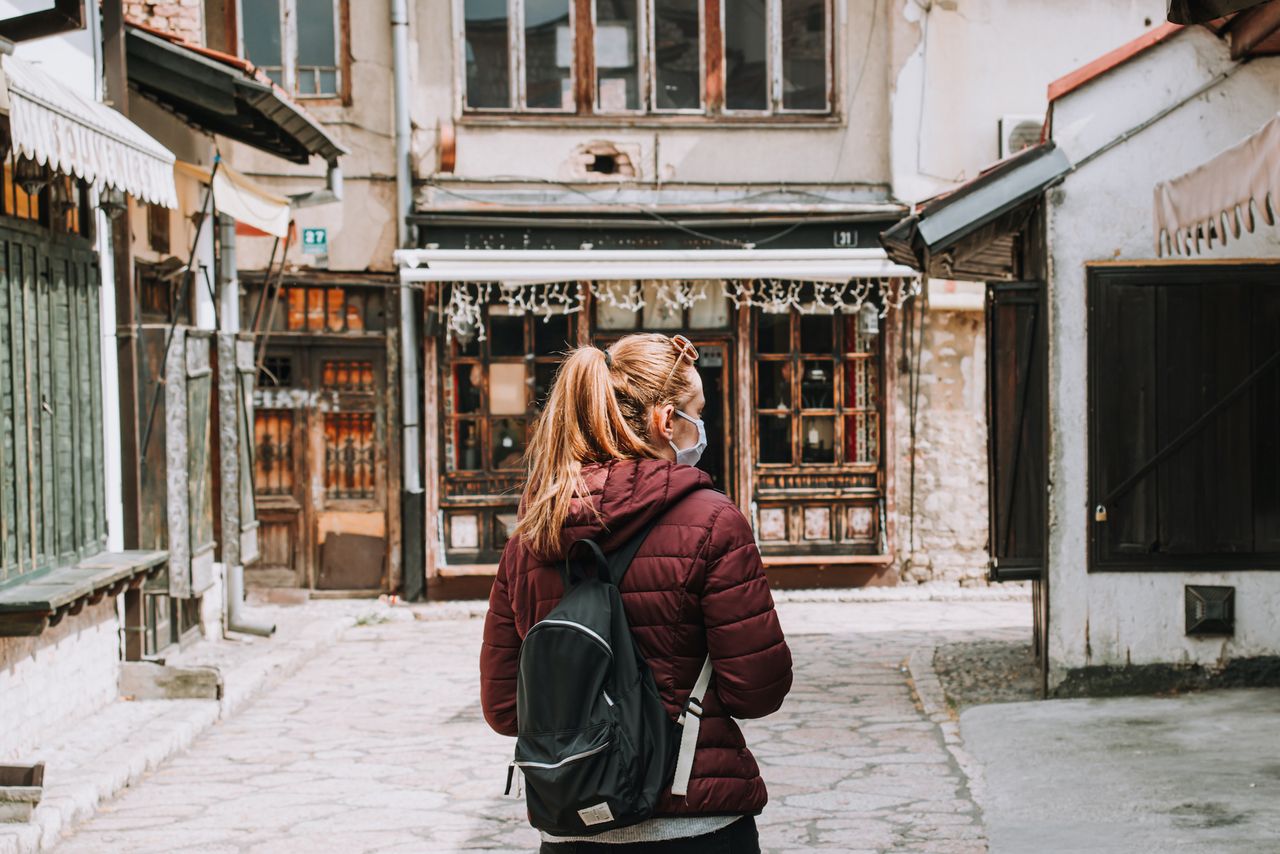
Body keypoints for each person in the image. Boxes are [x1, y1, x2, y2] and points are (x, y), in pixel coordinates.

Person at [480, 332, 793, 853]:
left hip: (571, 825)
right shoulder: (713, 522)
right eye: (698, 411)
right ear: (666, 420)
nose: (700, 427)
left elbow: (504, 708)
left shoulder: (531, 537)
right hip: (690, 817)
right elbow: (757, 690)